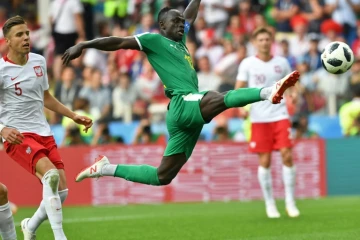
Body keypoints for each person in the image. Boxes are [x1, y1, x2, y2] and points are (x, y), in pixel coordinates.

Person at [62, 0, 299, 197]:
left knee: (162, 175)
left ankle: (106, 168)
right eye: (175, 21)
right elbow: (118, 41)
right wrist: (84, 44)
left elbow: (190, 14)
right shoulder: (153, 40)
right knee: (218, 98)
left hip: (188, 116)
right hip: (181, 103)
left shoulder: (180, 41)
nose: (181, 24)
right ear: (162, 24)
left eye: (181, 22)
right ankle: (268, 91)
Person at [0, 16, 93, 240]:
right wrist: (2, 129)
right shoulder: (2, 70)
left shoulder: (39, 61)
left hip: (44, 132)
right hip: (18, 136)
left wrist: (72, 115)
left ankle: (30, 226)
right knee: (50, 175)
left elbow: (45, 97)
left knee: (62, 191)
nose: (25, 38)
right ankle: (60, 236)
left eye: (27, 34)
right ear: (8, 42)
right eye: (19, 35)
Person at [235, 27, 300, 218]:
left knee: (287, 155)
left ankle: (290, 202)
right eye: (260, 39)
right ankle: (270, 204)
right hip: (259, 118)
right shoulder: (247, 64)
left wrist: (294, 94)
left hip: (280, 115)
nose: (264, 42)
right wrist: (241, 108)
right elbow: (238, 89)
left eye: (267, 39)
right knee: (265, 161)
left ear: (272, 42)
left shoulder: (281, 63)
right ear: (254, 43)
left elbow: (291, 84)